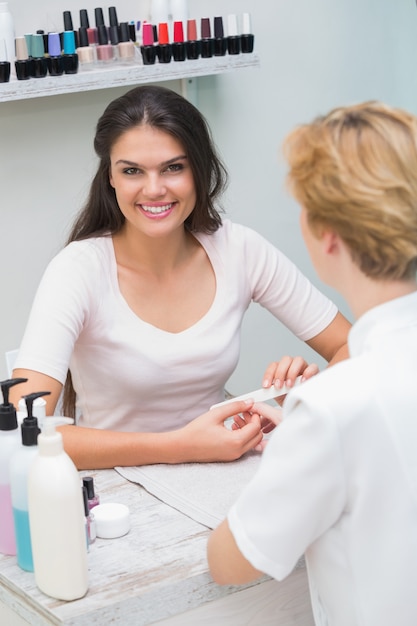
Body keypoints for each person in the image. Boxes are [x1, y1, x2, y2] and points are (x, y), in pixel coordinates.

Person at [11, 85, 350, 470]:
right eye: (132, 171)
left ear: (198, 170)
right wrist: (180, 446)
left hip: (225, 469)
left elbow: (359, 347)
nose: (154, 189)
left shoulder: (240, 249)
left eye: (174, 167)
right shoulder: (77, 270)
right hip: (115, 488)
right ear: (111, 177)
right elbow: (23, 430)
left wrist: (308, 400)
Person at [207, 101, 417, 626]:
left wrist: (305, 441)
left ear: (327, 236)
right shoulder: (338, 406)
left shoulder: (333, 411)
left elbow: (229, 562)